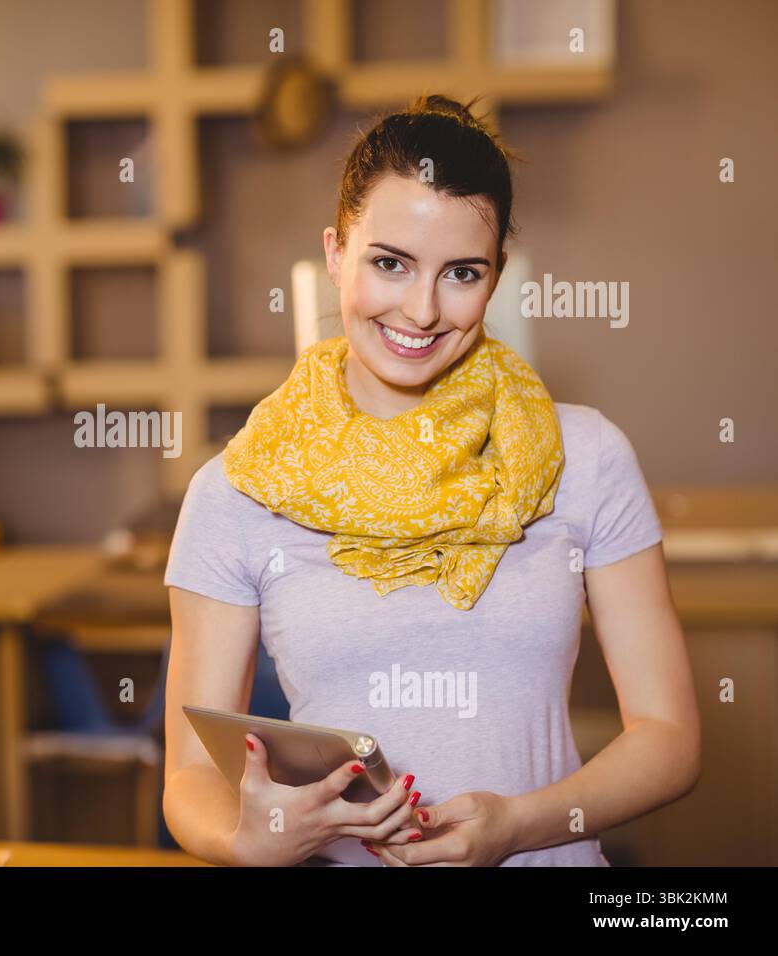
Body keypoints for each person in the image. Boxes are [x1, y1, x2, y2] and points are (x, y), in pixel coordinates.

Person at [160, 94, 700, 867]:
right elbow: (187, 774)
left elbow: (671, 737)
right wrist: (248, 837)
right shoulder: (238, 490)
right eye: (389, 263)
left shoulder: (586, 456)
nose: (421, 309)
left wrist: (520, 824)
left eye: (461, 273)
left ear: (496, 279)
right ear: (336, 253)